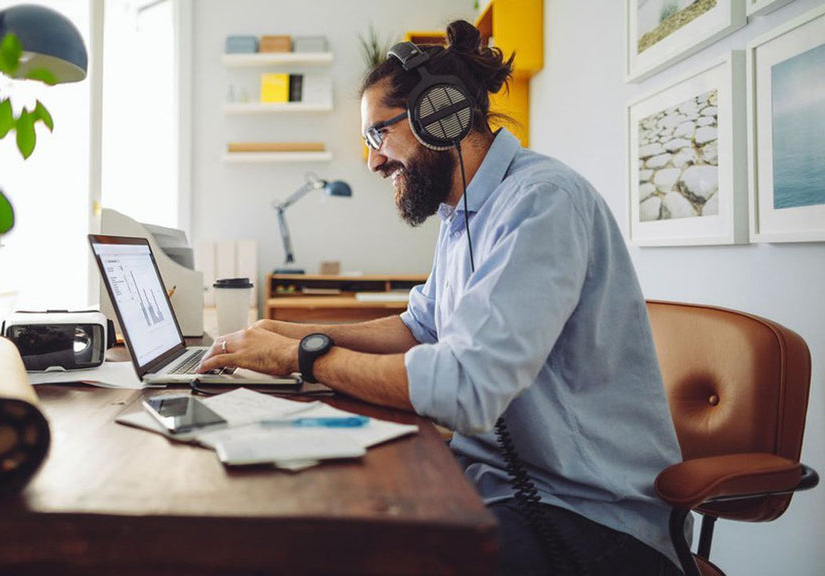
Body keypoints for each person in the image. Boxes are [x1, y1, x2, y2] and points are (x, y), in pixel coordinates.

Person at [199, 19, 683, 576]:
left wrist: (303, 357)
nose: (374, 162)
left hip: (589, 519)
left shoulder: (541, 204)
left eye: (378, 135)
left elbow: (464, 389)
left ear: (439, 113)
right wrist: (289, 333)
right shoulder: (463, 216)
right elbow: (419, 327)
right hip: (495, 486)